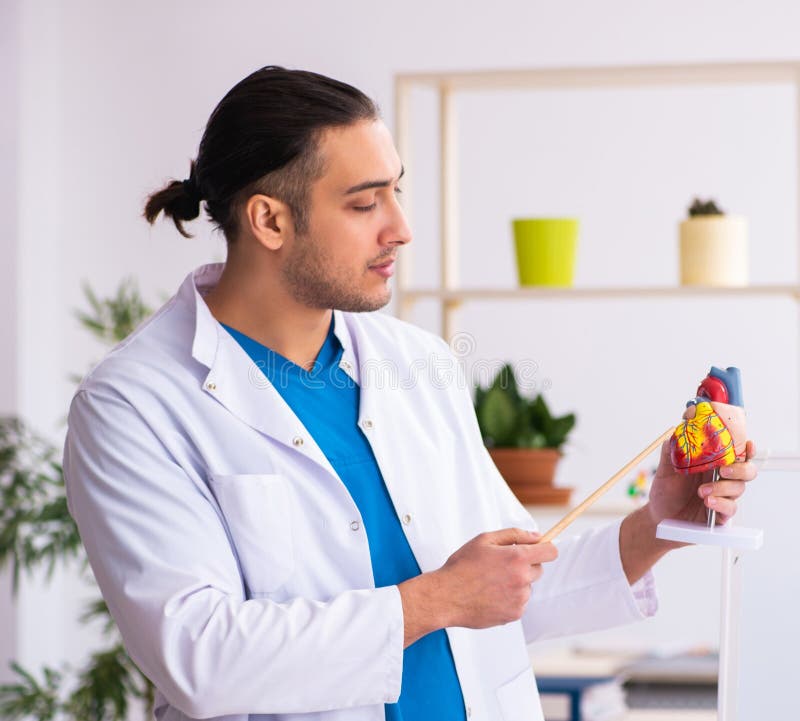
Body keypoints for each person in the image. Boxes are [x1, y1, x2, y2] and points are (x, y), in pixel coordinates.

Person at [63, 66, 756, 721]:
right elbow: (198, 655)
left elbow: (511, 582)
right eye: (365, 202)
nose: (400, 226)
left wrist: (658, 522)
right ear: (269, 221)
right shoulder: (134, 405)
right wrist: (440, 598)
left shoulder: (416, 363)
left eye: (396, 189)